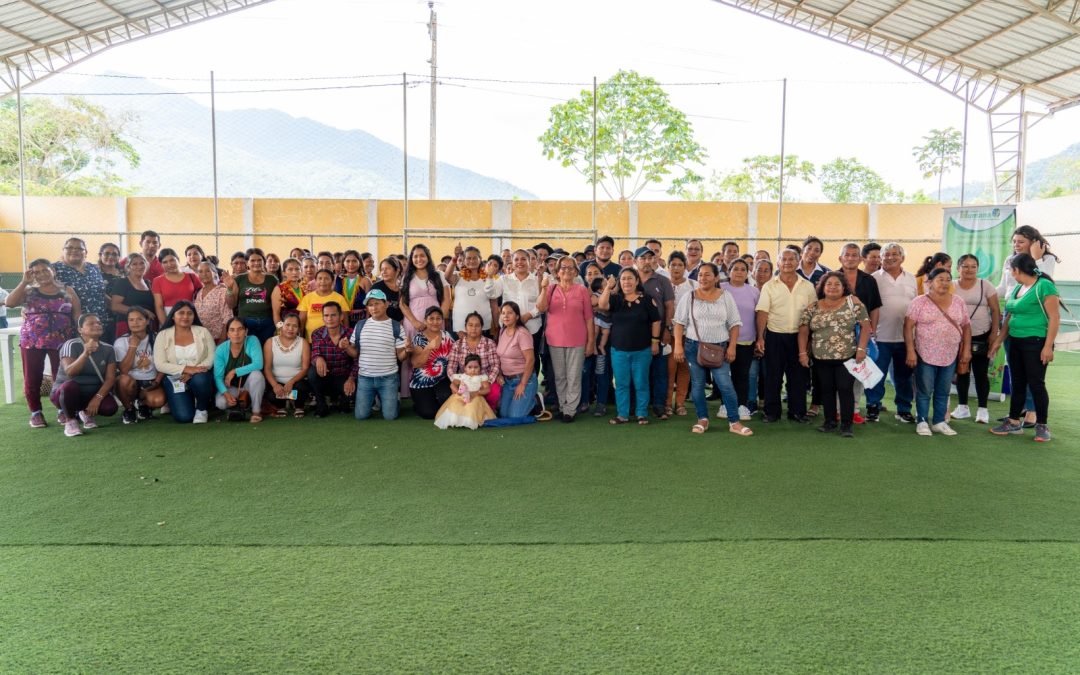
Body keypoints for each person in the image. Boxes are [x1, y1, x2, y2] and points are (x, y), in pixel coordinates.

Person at [673, 262, 751, 436]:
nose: (703, 278)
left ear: (716, 277)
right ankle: (702, 419)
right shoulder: (689, 296)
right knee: (698, 385)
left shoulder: (726, 296)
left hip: (720, 348)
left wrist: (732, 347)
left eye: (707, 274)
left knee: (726, 385)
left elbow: (735, 323)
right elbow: (679, 322)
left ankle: (734, 422)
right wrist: (678, 345)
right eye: (700, 274)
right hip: (694, 347)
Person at [989, 253, 1061, 442]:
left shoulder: (1044, 286)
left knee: (1036, 383)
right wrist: (998, 340)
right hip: (1015, 341)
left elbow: (1054, 317)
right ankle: (1013, 422)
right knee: (1018, 383)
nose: (1010, 273)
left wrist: (1047, 347)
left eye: (1010, 270)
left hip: (1036, 341)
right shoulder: (1018, 288)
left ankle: (1042, 426)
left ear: (1017, 270)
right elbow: (1010, 317)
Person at [6, 259, 81, 428]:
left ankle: (62, 409)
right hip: (32, 340)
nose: (42, 274)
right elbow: (10, 303)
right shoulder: (28, 291)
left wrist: (82, 334)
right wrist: (24, 281)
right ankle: (36, 412)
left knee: (61, 376)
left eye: (45, 270)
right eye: (36, 272)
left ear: (53, 270)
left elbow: (77, 315)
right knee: (32, 377)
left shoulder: (68, 290)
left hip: (62, 341)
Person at [798, 272, 872, 438]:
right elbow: (803, 330)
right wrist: (803, 352)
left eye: (837, 284)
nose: (832, 287)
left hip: (847, 356)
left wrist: (861, 349)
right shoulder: (813, 306)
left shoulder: (853, 303)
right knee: (826, 390)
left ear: (843, 287)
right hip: (820, 357)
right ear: (823, 287)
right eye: (829, 284)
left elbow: (866, 326)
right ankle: (829, 422)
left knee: (845, 389)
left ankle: (846, 425)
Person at [904, 268, 971, 436]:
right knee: (925, 390)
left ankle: (939, 421)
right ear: (930, 282)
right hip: (925, 353)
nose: (945, 282)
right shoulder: (919, 302)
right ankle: (922, 421)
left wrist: (966, 350)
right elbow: (907, 327)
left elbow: (966, 326)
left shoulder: (958, 301)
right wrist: (910, 351)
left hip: (950, 354)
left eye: (948, 279)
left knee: (943, 390)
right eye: (940, 279)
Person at [755, 249, 817, 423]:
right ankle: (771, 412)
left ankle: (797, 412)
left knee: (798, 377)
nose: (788, 262)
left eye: (792, 259)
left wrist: (810, 339)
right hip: (775, 336)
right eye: (784, 259)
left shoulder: (808, 286)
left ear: (798, 262)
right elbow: (762, 312)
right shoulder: (769, 286)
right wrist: (760, 337)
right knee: (772, 376)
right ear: (778, 263)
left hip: (800, 337)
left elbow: (813, 313)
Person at [598, 267, 660, 425]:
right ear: (620, 281)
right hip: (619, 351)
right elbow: (602, 305)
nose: (627, 281)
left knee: (641, 383)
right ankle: (623, 414)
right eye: (623, 278)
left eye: (630, 278)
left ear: (637, 281)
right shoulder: (616, 299)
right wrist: (608, 287)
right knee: (621, 383)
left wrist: (655, 342)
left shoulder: (647, 299)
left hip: (642, 350)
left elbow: (656, 321)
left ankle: (641, 413)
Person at [537, 257, 594, 422]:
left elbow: (589, 318)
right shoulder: (551, 288)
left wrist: (590, 342)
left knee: (574, 376)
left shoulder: (582, 290)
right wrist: (543, 288)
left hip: (578, 340)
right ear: (557, 271)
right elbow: (541, 308)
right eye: (563, 268)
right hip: (554, 340)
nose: (567, 271)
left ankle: (570, 409)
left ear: (576, 272)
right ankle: (562, 406)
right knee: (560, 376)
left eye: (571, 268)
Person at [869, 243, 918, 423]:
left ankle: (904, 409)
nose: (890, 257)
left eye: (894, 254)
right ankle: (873, 406)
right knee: (876, 374)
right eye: (886, 254)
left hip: (906, 338)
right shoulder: (873, 278)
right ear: (881, 258)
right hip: (879, 337)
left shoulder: (912, 279)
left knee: (903, 376)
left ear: (902, 258)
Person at [343, 289, 408, 420]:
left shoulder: (396, 327)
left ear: (386, 304)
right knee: (361, 416)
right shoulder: (360, 325)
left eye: (377, 303)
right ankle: (379, 399)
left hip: (388, 378)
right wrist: (346, 347)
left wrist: (407, 351)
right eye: (370, 304)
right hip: (365, 378)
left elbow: (401, 357)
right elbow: (355, 353)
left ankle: (394, 399)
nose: (373, 307)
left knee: (390, 416)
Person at [49, 313, 117, 437]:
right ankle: (70, 421)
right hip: (66, 393)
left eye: (99, 323)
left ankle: (85, 413)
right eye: (91, 323)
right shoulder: (71, 345)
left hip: (91, 393)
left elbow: (110, 378)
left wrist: (98, 397)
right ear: (80, 330)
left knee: (110, 408)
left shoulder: (108, 349)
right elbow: (70, 372)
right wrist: (85, 353)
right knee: (69, 386)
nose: (97, 325)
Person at [951, 254, 1000, 424]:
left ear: (978, 268)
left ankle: (983, 409)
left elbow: (995, 311)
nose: (969, 269)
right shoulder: (951, 286)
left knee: (980, 373)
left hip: (982, 335)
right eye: (965, 266)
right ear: (958, 269)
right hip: (958, 337)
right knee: (962, 372)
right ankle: (962, 407)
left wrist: (994, 334)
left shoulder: (985, 285)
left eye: (973, 266)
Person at [837, 242, 882, 423]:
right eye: (847, 255)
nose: (850, 258)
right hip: (837, 334)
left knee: (859, 370)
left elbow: (875, 308)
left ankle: (854, 409)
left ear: (861, 259)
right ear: (840, 258)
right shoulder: (831, 278)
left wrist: (871, 331)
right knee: (839, 373)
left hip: (862, 333)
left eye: (855, 255)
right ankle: (838, 410)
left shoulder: (869, 280)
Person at [153, 301, 216, 424]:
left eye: (189, 313)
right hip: (175, 378)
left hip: (199, 374)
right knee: (184, 417)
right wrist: (186, 369)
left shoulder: (203, 331)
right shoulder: (163, 335)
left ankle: (202, 408)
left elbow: (212, 356)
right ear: (173, 316)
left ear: (194, 316)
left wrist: (193, 372)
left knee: (201, 380)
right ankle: (187, 399)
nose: (185, 317)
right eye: (181, 313)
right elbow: (160, 364)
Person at [400, 244, 450, 397]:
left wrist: (438, 320)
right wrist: (415, 322)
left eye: (422, 255)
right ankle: (412, 391)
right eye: (415, 256)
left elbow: (447, 299)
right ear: (411, 259)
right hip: (413, 321)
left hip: (434, 321)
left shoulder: (438, 275)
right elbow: (402, 303)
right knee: (414, 352)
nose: (419, 259)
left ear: (428, 257)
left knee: (435, 351)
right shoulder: (406, 277)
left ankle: (434, 387)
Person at [634, 246, 675, 420]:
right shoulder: (629, 279)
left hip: (658, 334)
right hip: (635, 334)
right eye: (643, 258)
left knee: (659, 371)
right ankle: (637, 404)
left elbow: (669, 306)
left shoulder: (662, 280)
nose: (647, 261)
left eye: (650, 258)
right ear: (636, 261)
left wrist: (667, 329)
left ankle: (659, 405)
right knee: (638, 372)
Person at [721, 258, 760, 419]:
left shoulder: (754, 291)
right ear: (729, 271)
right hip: (723, 340)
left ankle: (742, 405)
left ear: (748, 273)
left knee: (742, 375)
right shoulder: (721, 289)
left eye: (743, 269)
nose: (739, 272)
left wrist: (759, 338)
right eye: (735, 269)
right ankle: (725, 405)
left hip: (746, 341)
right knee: (724, 376)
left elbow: (759, 316)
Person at [115, 306, 166, 424]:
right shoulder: (121, 341)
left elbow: (165, 362)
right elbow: (123, 370)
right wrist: (133, 346)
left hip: (150, 380)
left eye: (139, 319)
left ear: (147, 321)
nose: (135, 323)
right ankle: (129, 409)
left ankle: (143, 405)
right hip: (131, 381)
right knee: (122, 380)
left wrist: (157, 381)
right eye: (131, 320)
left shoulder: (157, 337)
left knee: (158, 400)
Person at [307, 301, 356, 417]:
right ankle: (321, 405)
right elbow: (315, 352)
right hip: (325, 376)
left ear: (341, 316)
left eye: (333, 315)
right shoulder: (317, 333)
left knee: (357, 386)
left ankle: (344, 403)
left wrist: (351, 378)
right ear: (323, 318)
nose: (330, 318)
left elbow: (357, 359)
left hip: (344, 377)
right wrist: (318, 358)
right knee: (312, 373)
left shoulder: (351, 333)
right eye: (326, 315)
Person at [214, 317, 266, 423]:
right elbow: (218, 377)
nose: (236, 333)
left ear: (246, 331)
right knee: (221, 403)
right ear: (227, 334)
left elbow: (259, 364)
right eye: (232, 330)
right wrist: (226, 394)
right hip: (232, 387)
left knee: (257, 375)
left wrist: (234, 371)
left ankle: (256, 411)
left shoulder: (252, 340)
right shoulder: (221, 349)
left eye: (240, 329)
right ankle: (238, 406)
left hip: (249, 384)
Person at [447, 311, 502, 410]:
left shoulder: (489, 344)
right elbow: (451, 367)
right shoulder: (457, 345)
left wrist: (487, 382)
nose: (473, 328)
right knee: (460, 397)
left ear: (482, 327)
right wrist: (458, 381)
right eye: (470, 325)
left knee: (494, 393)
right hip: (464, 381)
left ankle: (488, 410)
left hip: (484, 380)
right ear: (465, 327)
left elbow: (495, 365)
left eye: (477, 325)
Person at [409, 306, 455, 419]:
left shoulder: (447, 336)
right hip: (422, 382)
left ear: (442, 321)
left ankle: (436, 400)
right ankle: (419, 405)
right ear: (425, 320)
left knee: (449, 406)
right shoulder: (418, 338)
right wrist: (429, 348)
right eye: (431, 318)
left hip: (442, 379)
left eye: (438, 318)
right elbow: (416, 364)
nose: (435, 322)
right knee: (429, 413)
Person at [52, 237, 108, 330]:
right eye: (69, 248)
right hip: (70, 326)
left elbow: (100, 292)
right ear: (63, 251)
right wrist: (27, 307)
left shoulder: (94, 268)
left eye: (79, 248)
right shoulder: (54, 269)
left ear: (85, 252)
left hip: (99, 323)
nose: (74, 250)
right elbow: (38, 289)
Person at [495, 301, 539, 419]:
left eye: (510, 313)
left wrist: (522, 384)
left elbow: (530, 360)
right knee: (503, 414)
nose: (506, 316)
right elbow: (500, 356)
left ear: (517, 316)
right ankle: (527, 401)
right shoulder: (502, 331)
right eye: (503, 313)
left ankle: (536, 401)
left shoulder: (522, 333)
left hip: (524, 380)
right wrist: (499, 374)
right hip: (508, 382)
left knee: (514, 416)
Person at [263, 313, 311, 419]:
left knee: (302, 388)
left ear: (299, 329)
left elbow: (305, 368)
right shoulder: (270, 342)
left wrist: (292, 382)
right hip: (277, 382)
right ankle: (281, 405)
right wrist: (275, 385)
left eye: (295, 326)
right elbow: (267, 368)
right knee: (271, 394)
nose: (290, 329)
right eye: (288, 325)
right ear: (281, 325)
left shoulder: (303, 343)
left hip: (296, 383)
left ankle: (299, 406)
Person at [665, 251, 697, 416]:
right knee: (669, 369)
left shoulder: (693, 285)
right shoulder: (662, 283)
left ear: (685, 267)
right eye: (673, 265)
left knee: (685, 369)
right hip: (667, 335)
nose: (676, 268)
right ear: (668, 266)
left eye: (680, 265)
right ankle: (667, 403)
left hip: (689, 335)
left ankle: (680, 404)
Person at [228, 248, 278, 344]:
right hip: (246, 322)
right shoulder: (239, 279)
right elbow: (231, 304)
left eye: (259, 260)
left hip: (267, 322)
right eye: (253, 260)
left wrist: (278, 325)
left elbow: (277, 304)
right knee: (249, 351)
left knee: (266, 351)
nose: (256, 263)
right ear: (247, 263)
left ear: (264, 262)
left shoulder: (272, 279)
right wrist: (230, 288)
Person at [580, 263, 612, 416]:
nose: (592, 276)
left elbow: (603, 306)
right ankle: (584, 402)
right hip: (584, 340)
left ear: (602, 275)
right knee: (584, 372)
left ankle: (601, 403)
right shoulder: (581, 291)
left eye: (596, 273)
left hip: (601, 342)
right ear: (585, 277)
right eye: (589, 273)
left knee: (601, 372)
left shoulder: (608, 292)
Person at [433, 354, 496, 429]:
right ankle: (456, 420)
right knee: (455, 405)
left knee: (472, 407)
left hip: (475, 397)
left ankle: (470, 421)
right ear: (465, 368)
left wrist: (477, 392)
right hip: (460, 397)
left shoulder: (482, 378)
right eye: (470, 367)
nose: (473, 370)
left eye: (476, 367)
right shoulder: (460, 376)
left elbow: (487, 389)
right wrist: (458, 392)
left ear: (480, 368)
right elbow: (452, 385)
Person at [997, 225, 1058, 299]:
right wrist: (984, 291)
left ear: (1034, 243)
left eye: (1021, 242)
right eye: (1014, 241)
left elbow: (1045, 282)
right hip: (1011, 306)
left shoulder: (1047, 258)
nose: (1016, 245)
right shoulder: (1010, 260)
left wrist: (1037, 259)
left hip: (1030, 305)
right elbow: (1003, 288)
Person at [152, 248, 202, 327]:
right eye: (165, 262)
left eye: (172, 260)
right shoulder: (157, 281)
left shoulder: (192, 277)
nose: (169, 264)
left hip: (189, 317)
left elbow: (204, 294)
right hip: (167, 318)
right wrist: (166, 326)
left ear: (178, 259)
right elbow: (159, 307)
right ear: (161, 264)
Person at [109, 252, 155, 338]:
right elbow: (115, 306)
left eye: (142, 263)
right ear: (128, 267)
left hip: (147, 326)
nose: (139, 266)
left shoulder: (148, 283)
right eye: (134, 264)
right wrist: (143, 312)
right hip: (127, 325)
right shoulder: (122, 282)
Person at [297, 269, 349, 340]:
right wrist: (299, 340)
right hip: (311, 341)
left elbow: (346, 322)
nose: (323, 281)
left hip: (334, 341)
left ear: (332, 281)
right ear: (315, 281)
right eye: (320, 278)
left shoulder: (339, 298)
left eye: (326, 278)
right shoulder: (307, 298)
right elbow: (301, 322)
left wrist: (346, 339)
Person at [192, 261, 233, 343]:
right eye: (200, 271)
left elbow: (227, 317)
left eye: (207, 271)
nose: (204, 274)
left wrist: (222, 340)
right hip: (201, 338)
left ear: (214, 273)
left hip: (217, 339)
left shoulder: (222, 291)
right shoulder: (198, 292)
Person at [334, 249, 372, 325]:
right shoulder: (337, 280)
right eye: (347, 261)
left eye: (354, 261)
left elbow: (370, 303)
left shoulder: (365, 280)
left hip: (360, 321)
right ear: (343, 263)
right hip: (340, 321)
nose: (351, 264)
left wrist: (368, 322)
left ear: (360, 263)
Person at [97, 243, 123, 341]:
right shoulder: (94, 272)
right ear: (100, 255)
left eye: (114, 254)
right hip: (100, 318)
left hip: (120, 317)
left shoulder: (124, 273)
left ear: (119, 257)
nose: (110, 257)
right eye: (107, 253)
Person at [272, 257, 307, 325]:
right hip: (288, 327)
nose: (294, 272)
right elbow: (276, 314)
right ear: (284, 273)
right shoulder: (279, 289)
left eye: (297, 269)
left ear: (301, 271)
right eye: (290, 269)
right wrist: (281, 330)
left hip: (305, 326)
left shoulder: (306, 287)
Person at [371, 256, 404, 322]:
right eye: (382, 269)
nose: (384, 272)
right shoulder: (377, 288)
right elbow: (371, 309)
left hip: (400, 326)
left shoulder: (403, 288)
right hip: (381, 325)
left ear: (397, 270)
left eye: (387, 268)